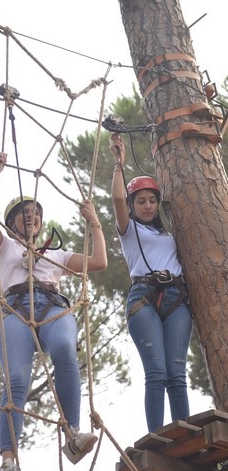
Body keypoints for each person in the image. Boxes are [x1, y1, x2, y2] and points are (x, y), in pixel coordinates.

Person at [0, 151, 107, 471]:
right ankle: (8, 461)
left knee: (64, 348)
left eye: (35, 214)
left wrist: (94, 222)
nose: (31, 218)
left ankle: (72, 433)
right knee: (16, 380)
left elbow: (100, 262)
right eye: (23, 214)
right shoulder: (4, 247)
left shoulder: (57, 255)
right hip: (15, 311)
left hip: (51, 307)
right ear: (12, 222)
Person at [110, 133, 192, 434]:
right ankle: (157, 436)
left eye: (152, 201)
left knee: (177, 374)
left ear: (158, 204)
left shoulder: (169, 237)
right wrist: (118, 165)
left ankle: (184, 433)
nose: (147, 205)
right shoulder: (128, 229)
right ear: (133, 206)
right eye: (141, 201)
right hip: (143, 295)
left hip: (175, 297)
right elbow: (117, 198)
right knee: (156, 373)